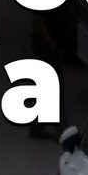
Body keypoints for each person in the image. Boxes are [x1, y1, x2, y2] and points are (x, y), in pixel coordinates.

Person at [27, 11, 64, 139]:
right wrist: (51, 44)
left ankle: (37, 125)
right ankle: (61, 128)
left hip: (48, 45)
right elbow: (37, 24)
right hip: (46, 48)